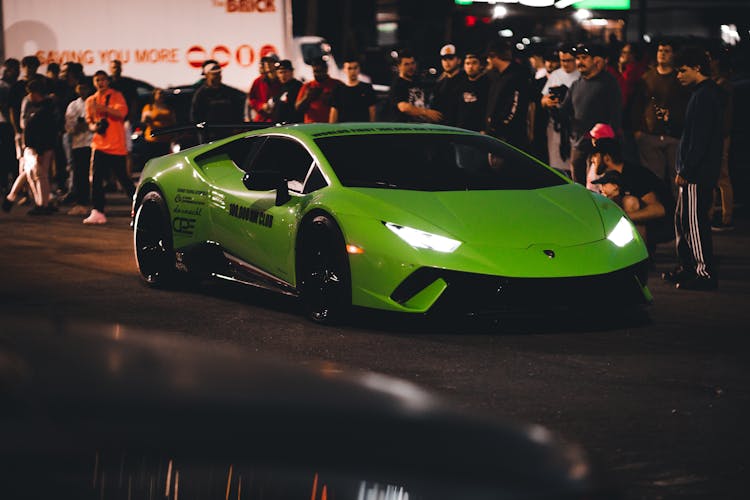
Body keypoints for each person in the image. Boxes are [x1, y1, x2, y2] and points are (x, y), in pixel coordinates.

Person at [662, 47, 723, 290]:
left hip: (696, 175)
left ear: (697, 69)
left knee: (694, 223)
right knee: (683, 220)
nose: (678, 75)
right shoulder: (703, 94)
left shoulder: (704, 96)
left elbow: (699, 140)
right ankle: (688, 267)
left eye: (682, 70)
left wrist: (686, 171)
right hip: (695, 172)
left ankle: (703, 272)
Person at [590, 138, 672, 250]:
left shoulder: (634, 175)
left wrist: (623, 217)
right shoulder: (615, 177)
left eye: (595, 155)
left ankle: (639, 261)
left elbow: (659, 209)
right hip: (647, 228)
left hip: (664, 226)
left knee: (630, 202)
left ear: (607, 158)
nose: (592, 160)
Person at [557, 43, 621, 184]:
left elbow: (616, 115)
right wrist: (552, 104)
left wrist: (608, 145)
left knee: (599, 186)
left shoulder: (609, 83)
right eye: (578, 58)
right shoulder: (576, 84)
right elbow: (564, 111)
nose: (579, 62)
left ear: (596, 61)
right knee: (578, 186)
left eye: (584, 58)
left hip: (600, 147)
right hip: (579, 145)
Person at [630, 41, 689, 191]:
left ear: (673, 54)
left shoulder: (680, 78)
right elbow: (637, 105)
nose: (662, 54)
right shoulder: (647, 77)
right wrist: (638, 131)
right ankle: (658, 211)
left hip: (674, 136)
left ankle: (678, 212)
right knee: (653, 179)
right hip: (650, 136)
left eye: (667, 51)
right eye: (660, 50)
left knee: (676, 179)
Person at [83, 70, 134, 225]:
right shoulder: (90, 100)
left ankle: (140, 203)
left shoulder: (116, 95)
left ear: (108, 81)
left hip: (116, 146)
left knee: (124, 180)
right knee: (96, 180)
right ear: (94, 82)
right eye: (97, 80)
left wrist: (104, 109)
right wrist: (94, 127)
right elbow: (89, 122)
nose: (100, 83)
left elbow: (122, 113)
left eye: (103, 79)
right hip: (99, 145)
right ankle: (98, 211)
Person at [2, 78, 58, 215]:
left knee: (36, 174)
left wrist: (38, 150)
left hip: (36, 145)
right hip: (43, 145)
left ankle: (41, 203)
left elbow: (32, 128)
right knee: (35, 173)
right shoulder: (48, 106)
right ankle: (40, 202)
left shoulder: (39, 109)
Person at [484, 39, 532, 151]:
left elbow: (516, 105)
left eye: (488, 57)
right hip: (495, 132)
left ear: (494, 56)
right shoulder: (495, 75)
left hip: (510, 135)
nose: (487, 61)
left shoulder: (518, 75)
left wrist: (501, 125)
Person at [541, 44, 579, 174]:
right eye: (563, 60)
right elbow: (543, 99)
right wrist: (547, 102)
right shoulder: (556, 75)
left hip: (574, 125)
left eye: (569, 60)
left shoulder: (580, 75)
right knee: (556, 166)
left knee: (574, 164)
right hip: (556, 125)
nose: (565, 64)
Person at [708, 48, 735, 232]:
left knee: (721, 177)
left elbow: (724, 116)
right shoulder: (719, 84)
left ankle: (726, 217)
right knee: (716, 176)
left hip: (720, 135)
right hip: (719, 134)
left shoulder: (722, 86)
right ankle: (714, 214)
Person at [190, 62, 245, 140]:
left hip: (229, 134)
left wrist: (238, 127)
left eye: (219, 74)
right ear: (206, 75)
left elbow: (238, 109)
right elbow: (195, 116)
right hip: (209, 136)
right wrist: (203, 132)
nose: (218, 77)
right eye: (214, 74)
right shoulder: (200, 94)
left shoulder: (229, 92)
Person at [64, 81, 94, 215]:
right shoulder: (73, 105)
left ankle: (92, 203)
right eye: (80, 88)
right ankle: (82, 202)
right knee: (79, 174)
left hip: (93, 143)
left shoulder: (94, 102)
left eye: (85, 87)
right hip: (78, 144)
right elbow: (70, 127)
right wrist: (82, 124)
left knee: (93, 175)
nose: (82, 91)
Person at [387, 50, 442, 123]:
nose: (411, 67)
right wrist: (427, 113)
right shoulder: (397, 85)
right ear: (399, 66)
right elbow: (403, 107)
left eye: (412, 63)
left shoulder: (418, 81)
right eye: (406, 64)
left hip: (421, 128)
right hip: (405, 129)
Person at [329, 58, 376, 123]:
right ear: (344, 70)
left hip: (362, 127)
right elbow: (334, 110)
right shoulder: (338, 89)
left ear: (359, 69)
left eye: (355, 68)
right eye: (349, 68)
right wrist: (332, 128)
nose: (353, 71)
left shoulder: (367, 88)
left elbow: (372, 110)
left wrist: (372, 127)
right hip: (344, 128)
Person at [295, 59, 341, 124]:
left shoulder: (337, 84)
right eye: (315, 71)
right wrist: (307, 98)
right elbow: (297, 108)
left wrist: (331, 99)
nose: (317, 74)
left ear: (326, 70)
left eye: (320, 71)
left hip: (331, 125)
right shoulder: (308, 86)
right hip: (311, 125)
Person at [454, 52, 488, 132]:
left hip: (479, 131)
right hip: (461, 129)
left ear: (481, 65)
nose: (470, 66)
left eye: (474, 63)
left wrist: (484, 128)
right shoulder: (460, 84)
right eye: (467, 63)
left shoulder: (487, 84)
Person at [1, 58, 20, 194]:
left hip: (13, 124)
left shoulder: (16, 85)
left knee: (13, 156)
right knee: (6, 155)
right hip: (4, 124)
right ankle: (5, 184)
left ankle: (13, 183)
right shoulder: (3, 86)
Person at [431, 44, 462, 126]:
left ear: (459, 60)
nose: (447, 62)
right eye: (444, 59)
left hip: (461, 128)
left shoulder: (466, 79)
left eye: (450, 58)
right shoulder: (440, 82)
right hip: (443, 127)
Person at [140, 88, 176, 158]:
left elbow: (173, 122)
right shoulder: (149, 107)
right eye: (159, 93)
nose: (161, 95)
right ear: (154, 95)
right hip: (153, 139)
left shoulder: (168, 108)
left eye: (162, 93)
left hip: (166, 139)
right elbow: (143, 120)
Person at [247, 55, 280, 123]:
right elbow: (251, 99)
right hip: (261, 121)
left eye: (270, 61)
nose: (267, 64)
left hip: (279, 120)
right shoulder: (258, 81)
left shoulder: (282, 81)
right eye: (266, 62)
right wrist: (261, 105)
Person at [271, 59, 303, 124]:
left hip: (293, 126)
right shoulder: (279, 88)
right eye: (280, 73)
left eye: (285, 72)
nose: (282, 75)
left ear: (291, 72)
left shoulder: (298, 86)